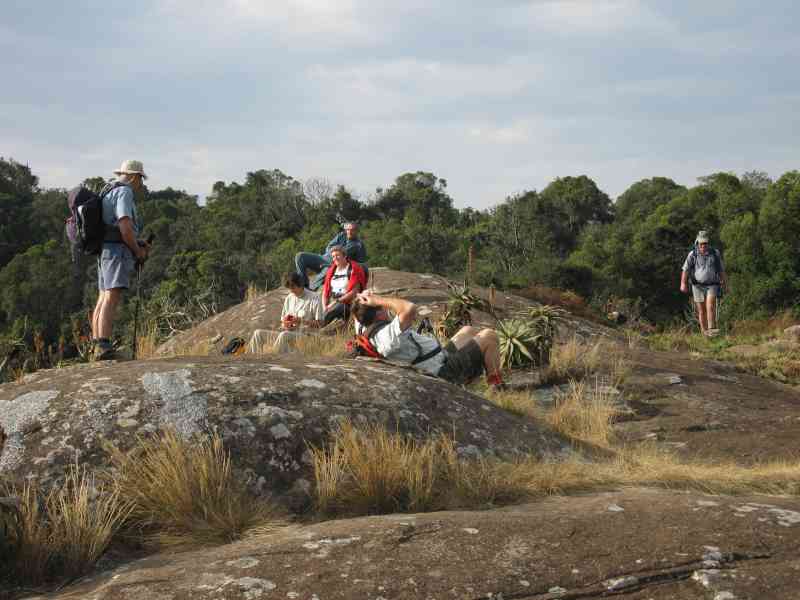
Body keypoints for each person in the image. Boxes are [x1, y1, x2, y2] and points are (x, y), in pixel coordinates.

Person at [351, 290, 504, 387]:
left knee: (468, 331)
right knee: (489, 336)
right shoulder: (385, 336)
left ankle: (480, 377)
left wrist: (365, 298)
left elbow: (356, 312)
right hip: (441, 373)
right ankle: (496, 386)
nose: (386, 307)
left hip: (439, 358)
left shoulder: (364, 326)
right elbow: (410, 308)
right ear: (378, 314)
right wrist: (378, 299)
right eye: (382, 307)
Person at [91, 160, 150, 360]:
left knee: (103, 296)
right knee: (112, 296)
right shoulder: (124, 192)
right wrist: (137, 250)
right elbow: (124, 225)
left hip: (105, 249)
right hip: (116, 251)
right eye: (140, 178)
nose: (141, 183)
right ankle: (104, 346)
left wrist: (137, 241)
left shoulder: (107, 190)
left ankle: (97, 344)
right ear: (134, 176)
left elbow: (113, 226)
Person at [247, 272, 324, 353]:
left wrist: (301, 321)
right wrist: (286, 324)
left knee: (283, 335)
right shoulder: (289, 298)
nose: (291, 291)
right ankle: (253, 359)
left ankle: (273, 357)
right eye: (290, 288)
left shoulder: (314, 297)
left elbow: (320, 324)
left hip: (306, 335)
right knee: (258, 333)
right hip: (289, 332)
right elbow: (283, 321)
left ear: (301, 285)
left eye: (293, 288)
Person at [295, 222, 367, 290]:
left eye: (352, 230)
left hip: (335, 265)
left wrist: (345, 264)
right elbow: (329, 247)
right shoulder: (341, 235)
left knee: (328, 269)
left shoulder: (359, 245)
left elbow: (361, 263)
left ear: (357, 231)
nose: (349, 232)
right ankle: (303, 285)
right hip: (324, 258)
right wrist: (336, 251)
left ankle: (310, 290)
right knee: (300, 256)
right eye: (348, 229)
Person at [680, 230, 727, 336]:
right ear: (697, 242)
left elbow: (721, 270)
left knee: (710, 306)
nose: (703, 245)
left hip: (712, 284)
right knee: (701, 310)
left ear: (708, 243)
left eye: (705, 243)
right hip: (697, 285)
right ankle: (704, 333)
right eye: (701, 243)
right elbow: (685, 269)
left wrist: (725, 284)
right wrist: (683, 283)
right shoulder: (692, 254)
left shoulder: (715, 253)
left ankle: (712, 330)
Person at [321, 246, 366, 325]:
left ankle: (322, 326)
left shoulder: (354, 269)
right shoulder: (331, 271)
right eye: (333, 256)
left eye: (337, 255)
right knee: (324, 314)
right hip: (333, 301)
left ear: (344, 256)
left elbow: (354, 292)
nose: (335, 258)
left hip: (347, 303)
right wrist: (325, 306)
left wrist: (336, 301)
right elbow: (325, 291)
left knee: (332, 312)